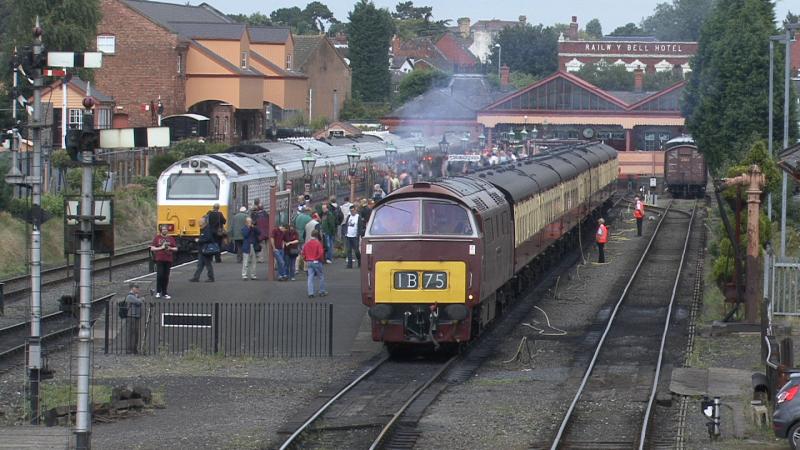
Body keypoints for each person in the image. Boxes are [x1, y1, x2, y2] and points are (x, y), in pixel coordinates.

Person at [149, 225, 177, 299]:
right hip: (160, 259)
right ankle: (158, 291)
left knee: (166, 276)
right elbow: (152, 248)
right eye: (163, 229)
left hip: (168, 259)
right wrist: (161, 248)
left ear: (167, 230)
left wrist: (170, 248)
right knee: (160, 275)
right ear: (161, 230)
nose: (164, 230)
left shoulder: (171, 238)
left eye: (166, 229)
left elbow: (176, 248)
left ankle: (165, 292)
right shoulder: (157, 238)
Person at [302, 230, 327, 298]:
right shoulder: (318, 243)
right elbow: (321, 253)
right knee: (321, 276)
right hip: (316, 261)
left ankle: (310, 293)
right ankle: (322, 291)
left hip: (309, 261)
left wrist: (305, 259)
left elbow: (303, 252)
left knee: (310, 277)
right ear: (317, 235)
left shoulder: (307, 243)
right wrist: (319, 259)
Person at [190, 216, 215, 282]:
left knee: (207, 264)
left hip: (206, 250)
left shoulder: (207, 229)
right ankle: (196, 277)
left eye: (200, 222)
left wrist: (199, 240)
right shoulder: (203, 229)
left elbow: (208, 238)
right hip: (202, 249)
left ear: (204, 223)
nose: (199, 223)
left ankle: (211, 277)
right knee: (200, 264)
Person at [124, 283, 143, 354]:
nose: (138, 289)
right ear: (132, 288)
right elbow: (139, 302)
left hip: (136, 316)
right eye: (136, 287)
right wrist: (141, 298)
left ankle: (134, 349)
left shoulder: (135, 296)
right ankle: (129, 349)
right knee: (131, 333)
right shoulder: (130, 296)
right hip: (131, 316)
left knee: (136, 333)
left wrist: (139, 297)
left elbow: (138, 302)